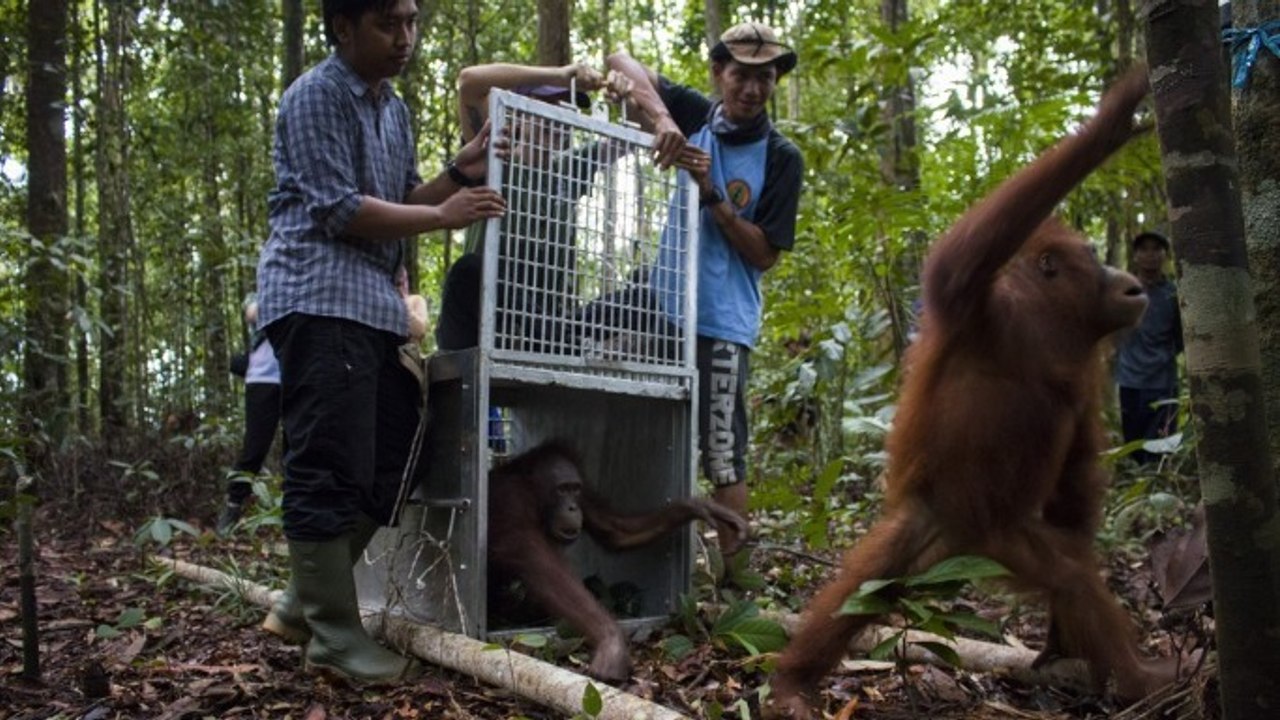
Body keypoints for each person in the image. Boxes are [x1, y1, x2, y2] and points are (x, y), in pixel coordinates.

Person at [253, 0, 505, 685]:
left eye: (412, 21)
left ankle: (303, 602)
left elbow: (397, 200)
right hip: (317, 297)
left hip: (376, 310)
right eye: (387, 24)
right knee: (327, 462)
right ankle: (335, 636)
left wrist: (458, 173)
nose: (405, 38)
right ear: (342, 26)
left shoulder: (391, 108)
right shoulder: (315, 97)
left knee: (393, 456)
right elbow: (341, 211)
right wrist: (441, 214)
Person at [606, 22, 803, 555]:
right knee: (584, 338)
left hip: (721, 322)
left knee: (721, 451)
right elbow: (620, 59)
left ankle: (735, 576)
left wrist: (712, 193)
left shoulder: (782, 157)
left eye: (765, 78)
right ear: (719, 73)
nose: (751, 89)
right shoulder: (697, 116)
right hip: (662, 303)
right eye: (741, 75)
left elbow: (764, 254)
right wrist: (665, 120)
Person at [435, 62, 606, 351]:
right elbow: (468, 83)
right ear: (521, 109)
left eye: (567, 108)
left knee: (634, 298)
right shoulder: (494, 156)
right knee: (469, 270)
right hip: (478, 326)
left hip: (541, 333)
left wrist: (621, 91)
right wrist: (558, 73)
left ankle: (564, 338)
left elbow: (628, 144)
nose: (558, 115)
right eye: (549, 104)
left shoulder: (570, 169)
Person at [1114, 230, 1183, 464]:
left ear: (1165, 255)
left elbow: (1181, 338)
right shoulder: (1123, 292)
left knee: (1159, 453)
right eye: (1144, 249)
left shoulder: (1174, 294)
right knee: (1133, 448)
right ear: (1135, 256)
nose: (1150, 255)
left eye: (1157, 249)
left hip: (1163, 384)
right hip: (1130, 382)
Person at [217, 296, 283, 536]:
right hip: (263, 379)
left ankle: (290, 513)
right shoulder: (264, 293)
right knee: (255, 448)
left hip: (297, 377)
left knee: (298, 446)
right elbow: (251, 312)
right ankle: (233, 506)